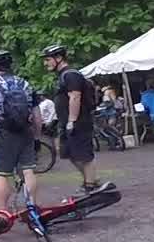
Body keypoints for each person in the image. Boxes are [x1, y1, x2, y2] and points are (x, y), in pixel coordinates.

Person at [0, 49, 40, 216]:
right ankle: (29, 207)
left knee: (1, 175)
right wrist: (37, 136)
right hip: (25, 132)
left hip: (2, 133)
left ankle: (2, 213)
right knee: (27, 170)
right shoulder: (25, 84)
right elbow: (37, 115)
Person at [42, 45, 109, 192]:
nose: (45, 63)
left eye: (48, 60)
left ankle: (90, 185)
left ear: (59, 58)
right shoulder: (62, 76)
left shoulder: (70, 74)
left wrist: (72, 120)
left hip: (78, 122)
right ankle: (92, 180)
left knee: (84, 154)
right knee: (69, 153)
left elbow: (75, 96)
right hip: (66, 122)